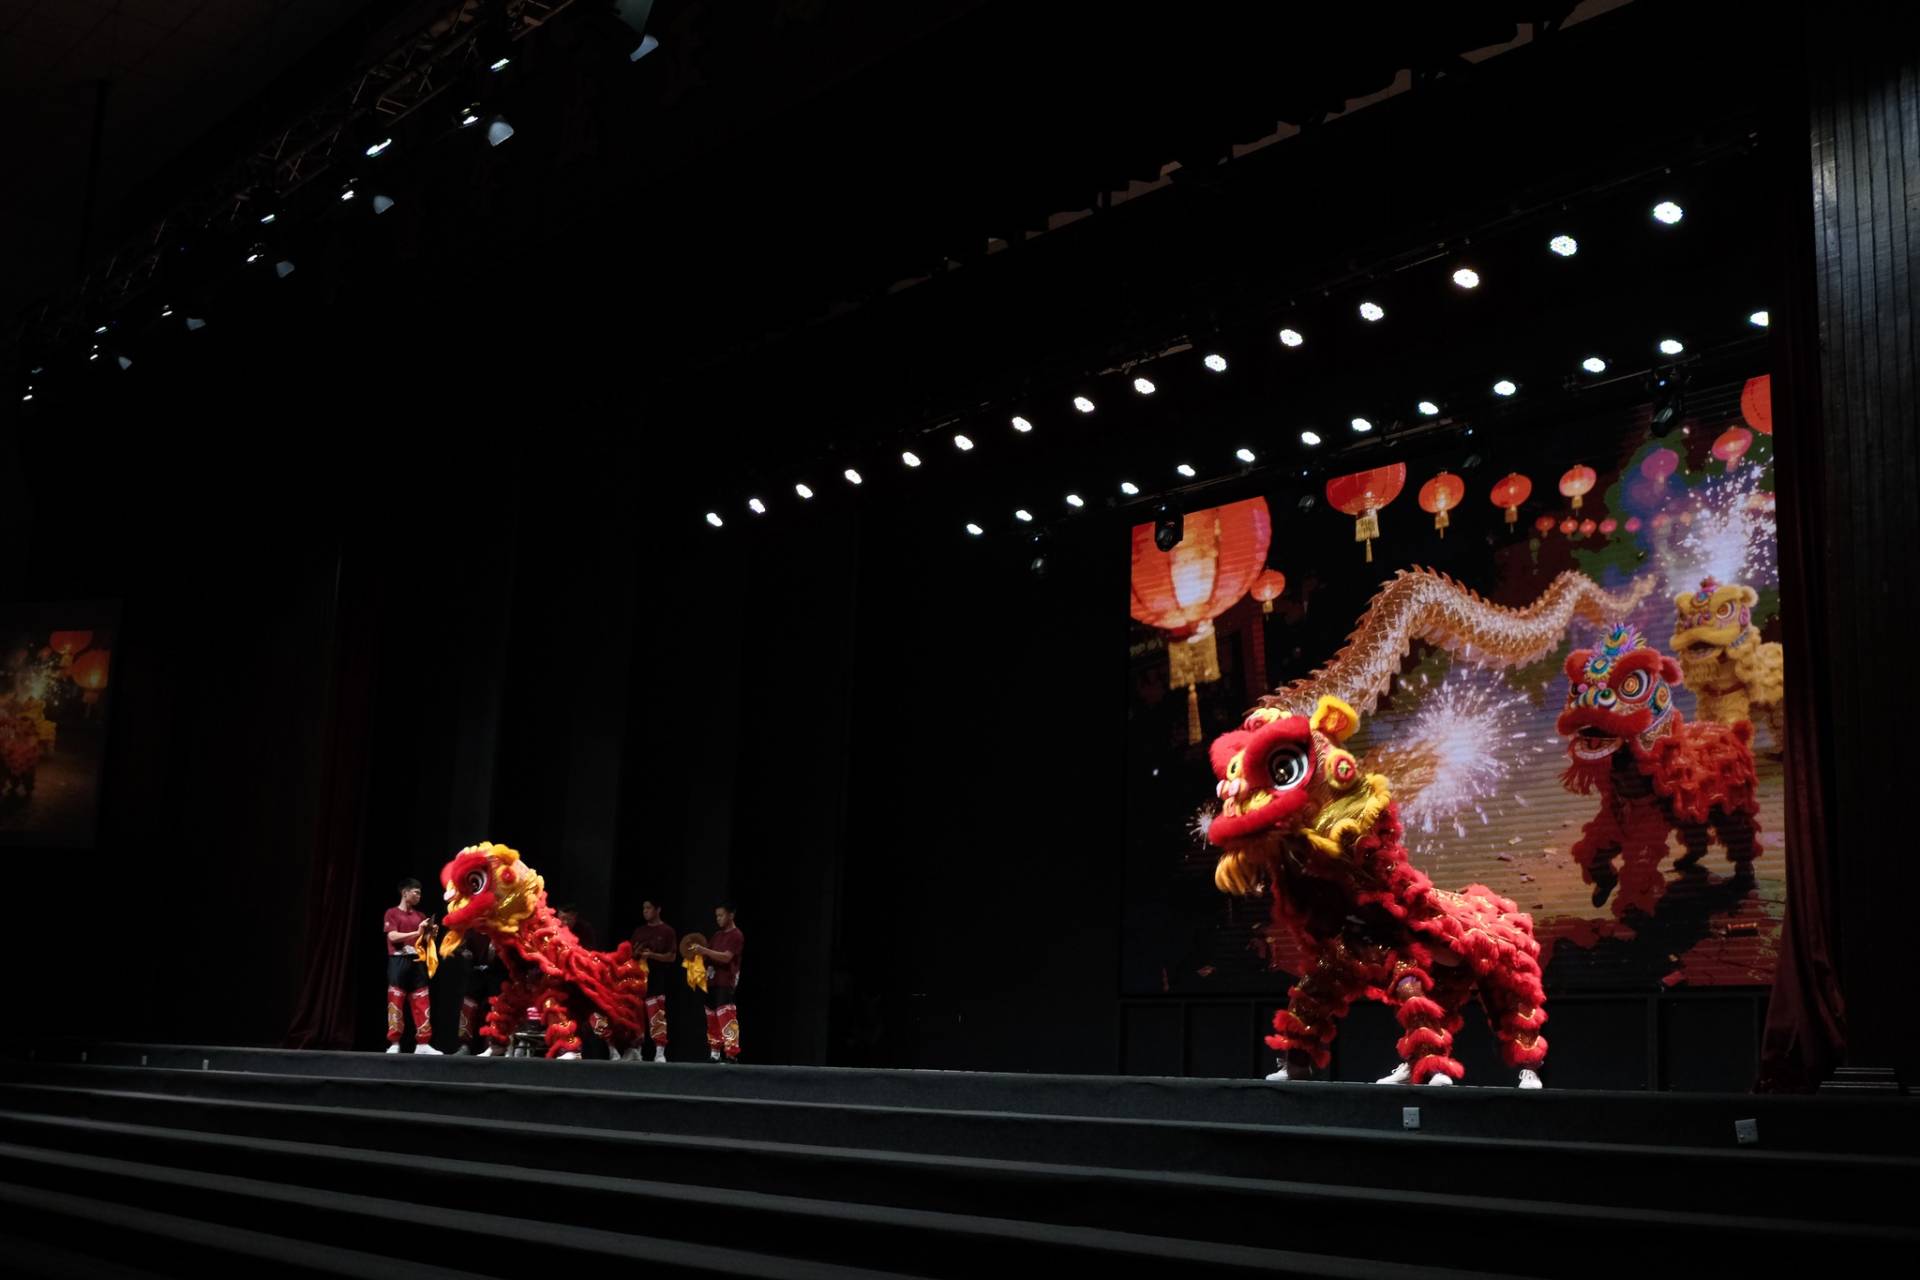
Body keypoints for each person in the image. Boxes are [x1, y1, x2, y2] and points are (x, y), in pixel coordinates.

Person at [382, 878, 441, 1054]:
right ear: (405, 892)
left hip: (417, 961)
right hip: (398, 961)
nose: (419, 896)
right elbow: (392, 936)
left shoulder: (420, 916)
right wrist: (416, 932)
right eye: (416, 892)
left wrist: (431, 934)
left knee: (422, 1001)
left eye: (420, 893)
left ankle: (423, 1044)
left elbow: (423, 940)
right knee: (396, 1000)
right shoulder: (392, 913)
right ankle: (394, 1043)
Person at [688, 903, 743, 1063]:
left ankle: (731, 1054)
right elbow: (707, 955)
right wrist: (695, 953)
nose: (718, 918)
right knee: (711, 1017)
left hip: (726, 982)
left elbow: (726, 957)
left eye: (721, 915)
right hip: (712, 982)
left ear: (731, 915)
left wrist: (704, 950)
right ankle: (715, 1053)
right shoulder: (717, 936)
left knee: (726, 1016)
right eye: (717, 916)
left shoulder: (736, 935)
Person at [628, 900, 677, 1062]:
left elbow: (671, 957)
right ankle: (636, 1050)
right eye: (644, 908)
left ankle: (660, 1051)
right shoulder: (639, 931)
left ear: (658, 909)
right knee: (636, 1015)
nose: (645, 911)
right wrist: (637, 953)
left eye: (648, 908)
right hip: (638, 980)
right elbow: (631, 955)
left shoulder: (667, 931)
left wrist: (652, 955)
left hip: (657, 979)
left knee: (656, 1014)